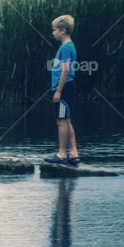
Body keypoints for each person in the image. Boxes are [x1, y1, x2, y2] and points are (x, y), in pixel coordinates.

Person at [45, 15, 79, 165]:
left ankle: (61, 154)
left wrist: (58, 91)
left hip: (63, 89)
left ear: (63, 31)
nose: (52, 33)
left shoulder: (65, 48)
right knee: (67, 120)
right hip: (68, 87)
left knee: (61, 122)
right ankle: (73, 152)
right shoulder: (69, 45)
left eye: (54, 30)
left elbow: (65, 71)